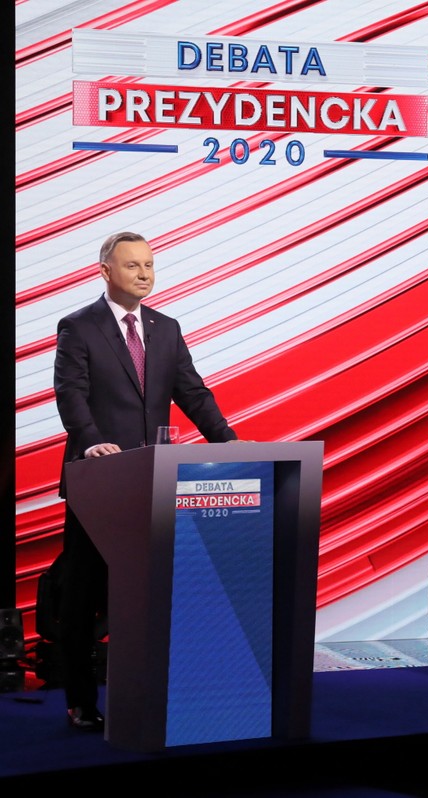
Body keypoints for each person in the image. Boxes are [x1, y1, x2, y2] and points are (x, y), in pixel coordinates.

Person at [53, 231, 239, 731]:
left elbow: (193, 394)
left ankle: (154, 694)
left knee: (155, 594)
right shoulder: (78, 327)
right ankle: (79, 700)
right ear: (105, 271)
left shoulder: (166, 328)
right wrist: (91, 439)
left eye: (150, 265)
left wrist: (229, 443)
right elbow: (70, 394)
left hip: (154, 485)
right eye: (132, 265)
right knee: (83, 593)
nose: (144, 274)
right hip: (99, 483)